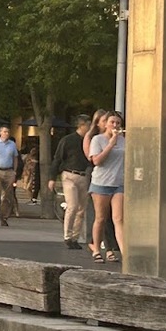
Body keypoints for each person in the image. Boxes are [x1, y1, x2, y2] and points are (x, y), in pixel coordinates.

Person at [48, 115, 92, 249]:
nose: (90, 127)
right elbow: (57, 158)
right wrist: (52, 178)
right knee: (72, 205)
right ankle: (67, 236)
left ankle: (75, 237)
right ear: (81, 125)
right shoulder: (68, 140)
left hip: (83, 175)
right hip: (69, 175)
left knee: (81, 209)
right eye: (88, 125)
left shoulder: (90, 141)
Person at [88, 111, 125, 262]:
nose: (115, 125)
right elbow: (96, 161)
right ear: (106, 124)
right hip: (101, 183)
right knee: (101, 218)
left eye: (118, 123)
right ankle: (96, 249)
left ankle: (125, 252)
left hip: (119, 184)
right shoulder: (97, 140)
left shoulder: (124, 140)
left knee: (118, 218)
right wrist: (111, 144)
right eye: (112, 122)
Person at [0, 126, 18, 226]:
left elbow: (15, 158)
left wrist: (14, 171)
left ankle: (4, 216)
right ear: (0, 132)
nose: (6, 134)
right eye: (4, 132)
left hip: (9, 171)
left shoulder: (12, 144)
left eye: (8, 132)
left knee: (8, 195)